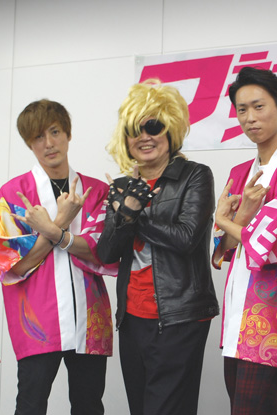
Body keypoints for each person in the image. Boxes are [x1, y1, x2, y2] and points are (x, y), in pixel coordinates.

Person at [97, 79, 219, 415]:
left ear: (171, 130)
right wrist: (123, 213)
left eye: (153, 126)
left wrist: (133, 214)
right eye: (134, 130)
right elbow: (106, 253)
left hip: (179, 316)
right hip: (133, 318)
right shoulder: (121, 186)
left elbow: (186, 238)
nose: (144, 137)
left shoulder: (195, 175)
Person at [0, 99, 114, 415]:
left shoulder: (96, 191)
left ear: (68, 134)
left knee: (89, 406)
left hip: (89, 316)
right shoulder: (12, 194)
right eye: (38, 137)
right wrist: (59, 223)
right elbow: (14, 264)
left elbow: (104, 251)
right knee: (30, 405)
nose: (48, 143)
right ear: (29, 144)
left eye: (55, 132)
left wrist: (51, 232)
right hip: (36, 319)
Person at [213, 66, 277, 415]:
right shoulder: (239, 173)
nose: (249, 118)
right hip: (237, 313)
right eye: (242, 110)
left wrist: (226, 221)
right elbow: (223, 249)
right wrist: (237, 220)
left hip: (271, 314)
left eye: (258, 106)